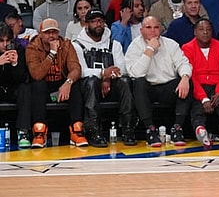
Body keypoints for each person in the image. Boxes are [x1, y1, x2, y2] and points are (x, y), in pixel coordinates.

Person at [125, 16, 194, 147]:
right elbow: (136, 73)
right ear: (141, 30)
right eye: (148, 27)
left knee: (187, 81)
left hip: (168, 88)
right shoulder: (135, 46)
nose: (153, 31)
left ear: (161, 29)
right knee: (139, 83)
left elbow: (183, 63)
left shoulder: (171, 44)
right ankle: (150, 129)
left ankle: (177, 129)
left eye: (156, 27)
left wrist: (185, 77)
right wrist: (149, 49)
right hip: (148, 90)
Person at [73, 9, 135, 147]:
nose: (98, 24)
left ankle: (128, 128)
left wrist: (107, 78)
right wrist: (103, 73)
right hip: (89, 88)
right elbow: (81, 71)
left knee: (125, 81)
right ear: (86, 24)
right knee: (91, 81)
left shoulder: (114, 44)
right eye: (94, 21)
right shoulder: (77, 45)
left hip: (111, 85)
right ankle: (94, 130)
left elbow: (122, 69)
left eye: (100, 21)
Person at [24, 18, 84, 148]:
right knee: (37, 85)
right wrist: (52, 53)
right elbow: (36, 74)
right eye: (47, 32)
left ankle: (76, 130)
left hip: (61, 84)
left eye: (54, 32)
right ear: (40, 34)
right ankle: (39, 132)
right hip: (43, 86)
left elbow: (76, 69)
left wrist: (68, 82)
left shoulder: (66, 45)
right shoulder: (32, 47)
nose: (51, 35)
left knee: (75, 84)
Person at [182, 18, 219, 146]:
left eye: (208, 29)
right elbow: (192, 77)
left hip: (217, 86)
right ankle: (201, 130)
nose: (205, 32)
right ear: (195, 32)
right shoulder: (187, 48)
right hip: (199, 87)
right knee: (197, 106)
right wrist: (203, 99)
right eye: (201, 29)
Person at [0, 22, 29, 147]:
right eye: (1, 41)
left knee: (25, 88)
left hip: (13, 89)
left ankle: (23, 131)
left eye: (8, 40)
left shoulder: (19, 50)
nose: (5, 44)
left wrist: (15, 64)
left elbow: (22, 78)